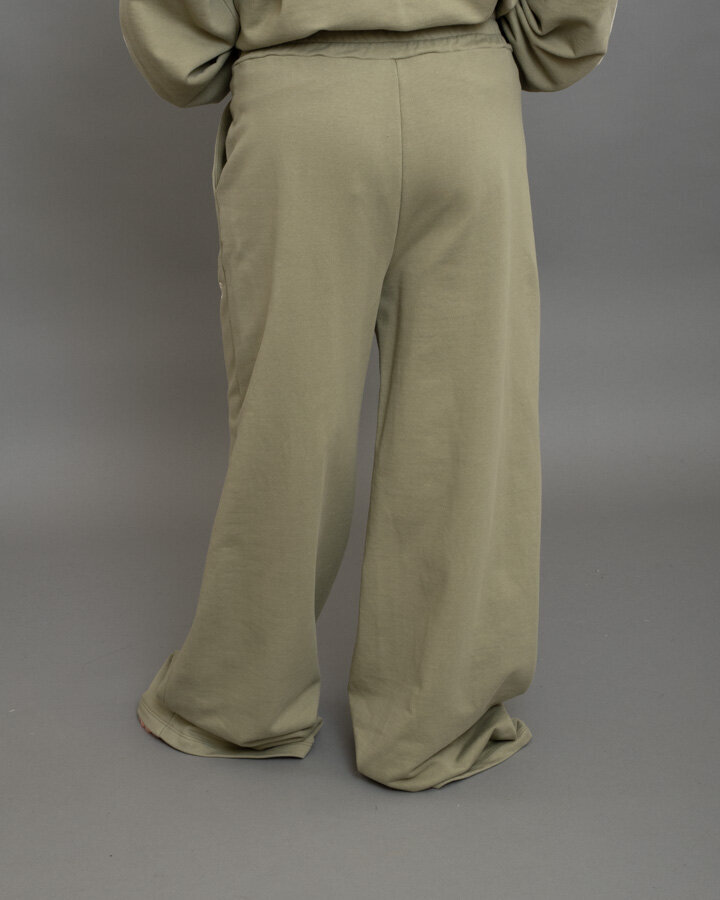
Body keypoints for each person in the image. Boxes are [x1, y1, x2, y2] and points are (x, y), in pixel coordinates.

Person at [119, 0, 618, 792]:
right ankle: (436, 723)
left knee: (287, 424)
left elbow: (183, 53)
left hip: (302, 113)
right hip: (467, 107)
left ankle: (240, 703)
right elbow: (564, 28)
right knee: (464, 430)